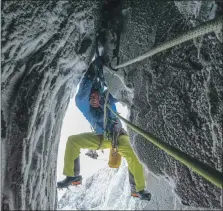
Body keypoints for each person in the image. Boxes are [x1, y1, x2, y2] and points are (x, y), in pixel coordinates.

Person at [57, 59, 151, 201]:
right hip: (102, 137)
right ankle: (72, 176)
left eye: (94, 97)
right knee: (73, 141)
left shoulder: (108, 99)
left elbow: (119, 93)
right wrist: (91, 75)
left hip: (119, 136)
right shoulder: (86, 107)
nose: (92, 100)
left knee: (133, 157)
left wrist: (100, 95)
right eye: (91, 98)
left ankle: (138, 190)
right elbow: (81, 97)